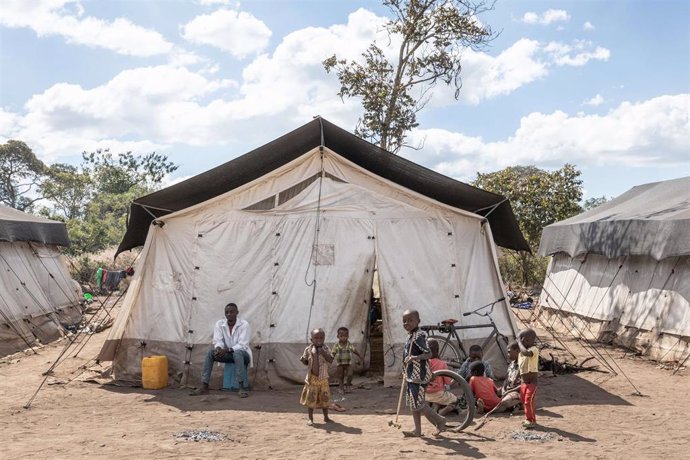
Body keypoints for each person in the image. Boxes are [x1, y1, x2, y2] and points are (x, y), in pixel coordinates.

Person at [401, 309, 447, 438]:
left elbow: (428, 354)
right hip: (411, 375)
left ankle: (439, 421)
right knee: (413, 403)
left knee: (418, 403)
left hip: (419, 376)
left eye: (410, 320)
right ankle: (417, 430)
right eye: (404, 321)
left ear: (418, 321)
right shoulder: (410, 335)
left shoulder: (419, 336)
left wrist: (415, 358)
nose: (406, 323)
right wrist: (404, 370)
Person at [191, 302, 252, 397]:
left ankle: (241, 387)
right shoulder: (219, 324)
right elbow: (218, 340)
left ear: (237, 312)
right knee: (210, 353)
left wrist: (227, 350)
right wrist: (218, 349)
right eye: (227, 312)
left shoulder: (244, 325)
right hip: (228, 354)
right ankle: (204, 385)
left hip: (243, 355)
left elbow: (242, 345)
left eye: (232, 312)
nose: (229, 314)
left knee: (238, 353)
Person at [300, 328, 335, 425]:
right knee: (311, 399)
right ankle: (310, 418)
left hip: (323, 379)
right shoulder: (308, 349)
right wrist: (310, 357)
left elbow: (331, 359)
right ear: (311, 340)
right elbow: (304, 361)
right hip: (312, 380)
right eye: (316, 338)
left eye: (321, 338)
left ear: (324, 338)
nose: (319, 340)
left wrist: (323, 353)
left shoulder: (326, 348)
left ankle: (326, 417)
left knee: (325, 399)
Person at [426, 339, 458, 416]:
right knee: (455, 400)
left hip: (425, 394)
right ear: (437, 350)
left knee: (430, 400)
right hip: (438, 393)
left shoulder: (424, 363)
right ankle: (440, 410)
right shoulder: (442, 364)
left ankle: (431, 407)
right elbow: (448, 382)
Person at [518, 328, 539, 428]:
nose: (524, 342)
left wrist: (518, 342)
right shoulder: (520, 353)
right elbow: (521, 366)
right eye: (523, 340)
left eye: (527, 340)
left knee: (528, 401)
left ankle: (531, 420)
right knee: (524, 401)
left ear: (532, 341)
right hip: (524, 383)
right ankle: (528, 418)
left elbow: (526, 352)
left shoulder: (534, 349)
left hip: (532, 383)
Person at [332, 327, 364, 394]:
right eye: (341, 336)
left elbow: (354, 350)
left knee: (350, 375)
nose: (344, 338)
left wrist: (360, 355)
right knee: (340, 376)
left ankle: (348, 386)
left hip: (348, 363)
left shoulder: (349, 344)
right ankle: (341, 388)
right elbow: (333, 353)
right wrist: (329, 359)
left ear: (348, 336)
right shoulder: (336, 346)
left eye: (345, 336)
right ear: (338, 336)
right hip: (340, 364)